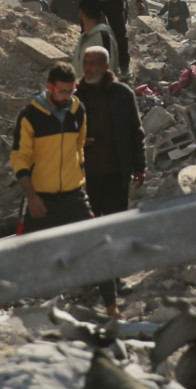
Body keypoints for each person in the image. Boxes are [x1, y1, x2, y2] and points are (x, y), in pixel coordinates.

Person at [11, 63, 112, 312]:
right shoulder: (30, 116)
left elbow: (79, 147)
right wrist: (32, 197)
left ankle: (111, 307)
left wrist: (78, 177)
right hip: (40, 200)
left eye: (71, 91)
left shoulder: (78, 111)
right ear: (50, 88)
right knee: (23, 255)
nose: (67, 97)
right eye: (62, 92)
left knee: (97, 245)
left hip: (73, 197)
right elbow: (20, 158)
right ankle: (8, 307)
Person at [76, 48, 146, 315]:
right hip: (85, 177)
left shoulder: (122, 94)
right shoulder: (75, 96)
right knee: (90, 230)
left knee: (115, 229)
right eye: (85, 63)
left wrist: (139, 166)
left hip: (116, 173)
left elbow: (135, 131)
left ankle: (114, 281)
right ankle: (92, 279)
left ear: (106, 66)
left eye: (93, 64)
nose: (88, 68)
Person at [73, 0, 120, 81]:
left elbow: (108, 73)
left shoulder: (104, 37)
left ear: (81, 14)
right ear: (101, 14)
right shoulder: (84, 38)